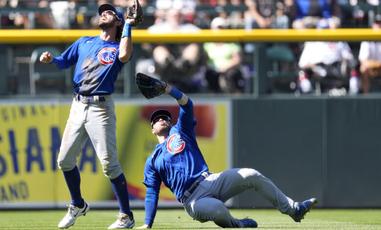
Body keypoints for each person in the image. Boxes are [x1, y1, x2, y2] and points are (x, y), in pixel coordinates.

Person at [137, 82, 317, 228]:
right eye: (156, 119)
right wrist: (147, 224)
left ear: (171, 121)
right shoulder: (153, 159)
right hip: (192, 199)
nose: (161, 119)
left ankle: (294, 210)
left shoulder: (180, 131)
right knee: (218, 209)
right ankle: (238, 225)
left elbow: (187, 103)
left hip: (210, 180)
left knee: (250, 175)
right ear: (152, 129)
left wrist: (169, 89)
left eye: (165, 117)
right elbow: (152, 192)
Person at [39, 3, 135, 229]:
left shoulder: (117, 44)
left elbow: (124, 54)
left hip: (100, 108)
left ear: (118, 22)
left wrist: (130, 26)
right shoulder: (85, 41)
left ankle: (126, 216)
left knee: (110, 165)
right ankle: (78, 204)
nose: (104, 13)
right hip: (78, 105)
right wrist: (51, 59)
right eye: (102, 11)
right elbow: (64, 62)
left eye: (110, 12)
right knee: (64, 161)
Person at [358, 14, 381, 93]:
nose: (379, 26)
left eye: (380, 23)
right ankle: (366, 96)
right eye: (377, 23)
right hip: (372, 69)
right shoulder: (367, 40)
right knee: (363, 69)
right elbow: (364, 62)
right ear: (372, 25)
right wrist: (378, 64)